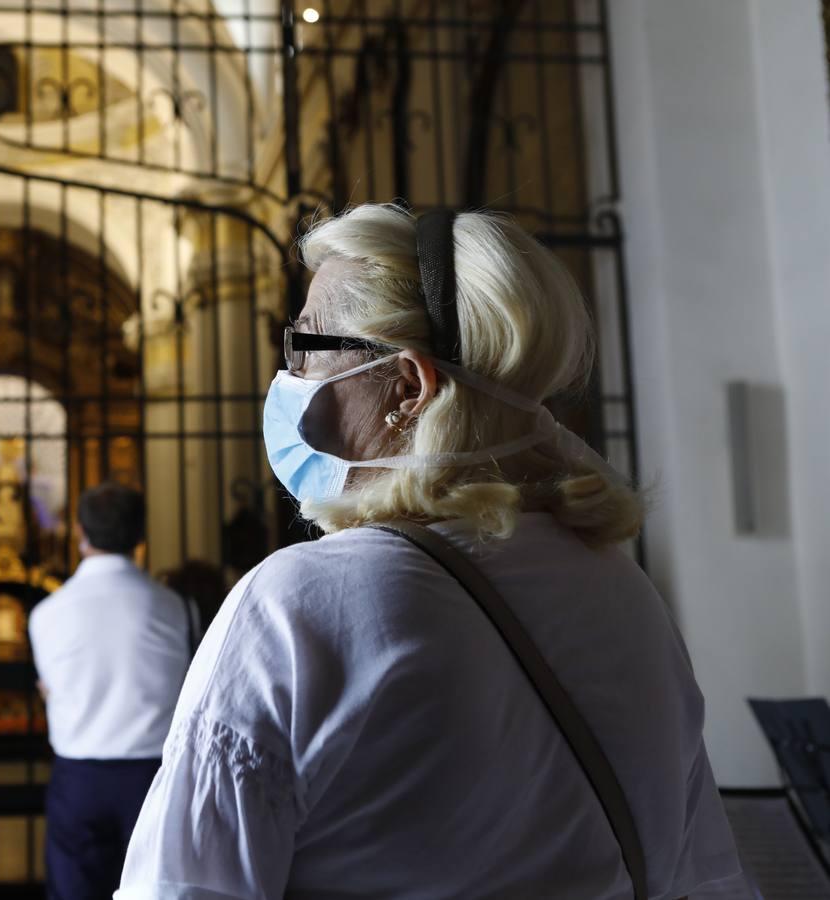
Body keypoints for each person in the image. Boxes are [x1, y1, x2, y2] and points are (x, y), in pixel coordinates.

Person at [117, 205, 740, 898]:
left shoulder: (299, 608)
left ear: (407, 388)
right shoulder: (627, 594)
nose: (287, 372)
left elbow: (178, 887)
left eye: (304, 345)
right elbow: (707, 878)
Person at [28, 482, 198, 900]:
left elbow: (51, 687)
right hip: (153, 776)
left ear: (79, 532)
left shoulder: (46, 613)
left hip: (79, 776)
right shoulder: (176, 608)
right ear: (141, 536)